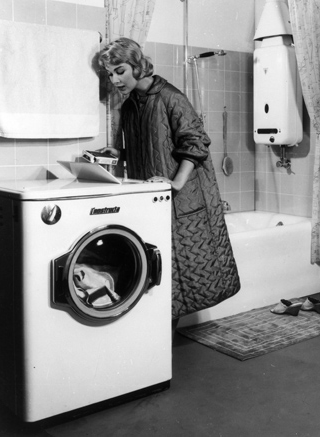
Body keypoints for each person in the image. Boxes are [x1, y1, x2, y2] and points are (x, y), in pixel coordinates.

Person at [97, 37, 240, 321]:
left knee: (175, 270)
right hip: (151, 197)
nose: (115, 79)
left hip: (180, 196)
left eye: (120, 70)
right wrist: (117, 152)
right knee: (157, 268)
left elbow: (196, 143)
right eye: (110, 74)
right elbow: (145, 144)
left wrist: (175, 182)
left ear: (138, 65)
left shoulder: (171, 97)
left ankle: (166, 348)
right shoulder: (128, 107)